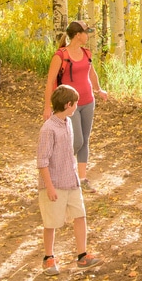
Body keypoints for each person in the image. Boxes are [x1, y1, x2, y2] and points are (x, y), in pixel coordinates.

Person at [37, 85, 103, 275]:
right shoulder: (48, 129)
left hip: (71, 181)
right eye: (75, 103)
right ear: (68, 104)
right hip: (54, 183)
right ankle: (48, 258)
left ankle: (82, 255)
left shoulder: (68, 123)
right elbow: (42, 161)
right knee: (51, 222)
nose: (76, 106)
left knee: (80, 215)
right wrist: (49, 187)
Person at [44, 21, 108, 192]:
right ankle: (57, 170)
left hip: (88, 101)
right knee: (77, 140)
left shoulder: (86, 53)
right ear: (78, 35)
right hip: (69, 105)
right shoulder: (60, 55)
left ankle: (82, 179)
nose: (88, 36)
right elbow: (50, 81)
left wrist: (99, 90)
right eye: (86, 32)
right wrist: (47, 107)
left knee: (84, 140)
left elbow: (91, 73)